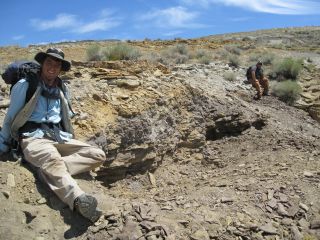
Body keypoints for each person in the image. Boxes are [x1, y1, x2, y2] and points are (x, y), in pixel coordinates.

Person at [0, 48, 106, 223]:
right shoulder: (26, 85)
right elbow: (11, 116)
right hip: (33, 138)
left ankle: (49, 171)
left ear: (60, 69)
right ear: (42, 63)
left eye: (57, 65)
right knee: (52, 158)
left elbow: (65, 114)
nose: (53, 67)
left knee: (97, 155)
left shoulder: (62, 88)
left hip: (59, 137)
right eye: (49, 62)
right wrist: (3, 143)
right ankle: (79, 200)